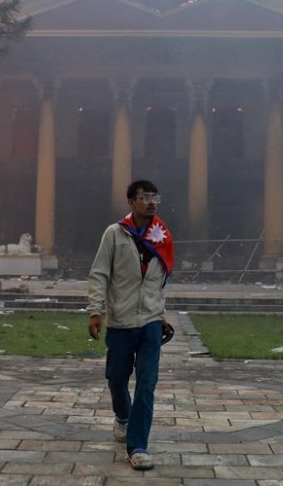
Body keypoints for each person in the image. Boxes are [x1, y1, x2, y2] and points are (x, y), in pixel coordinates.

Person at [86, 179, 174, 471]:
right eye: (145, 196)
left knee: (147, 384)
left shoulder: (163, 238)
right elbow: (99, 274)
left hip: (150, 323)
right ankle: (122, 417)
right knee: (116, 378)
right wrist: (95, 311)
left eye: (155, 196)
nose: (151, 201)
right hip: (121, 322)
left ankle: (138, 447)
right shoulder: (114, 234)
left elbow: (159, 283)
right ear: (131, 201)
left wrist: (160, 314)